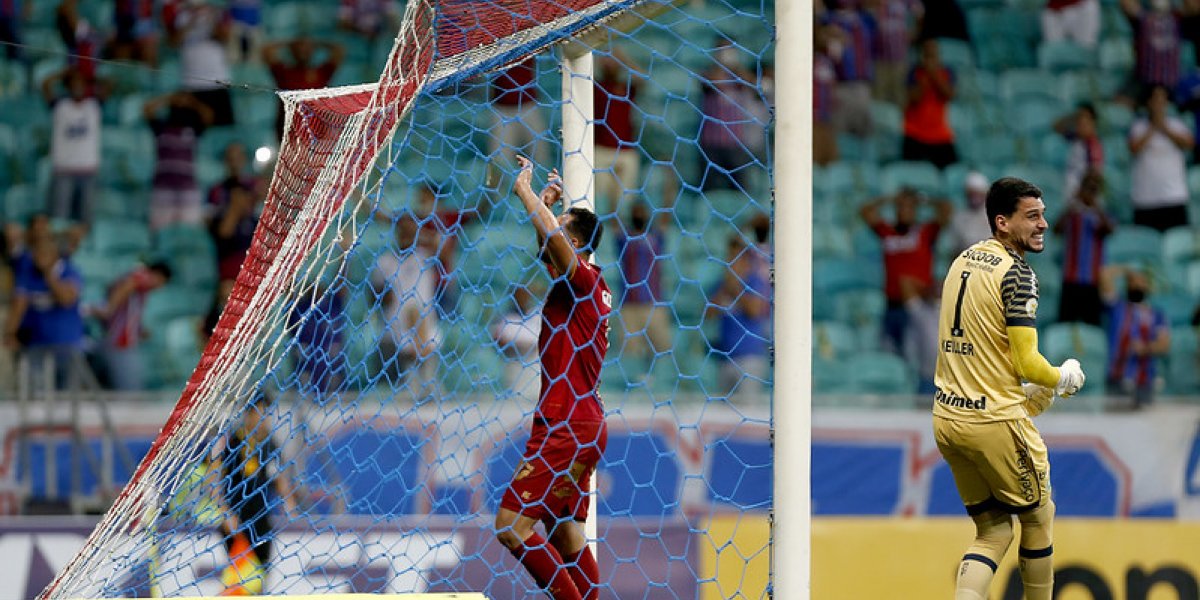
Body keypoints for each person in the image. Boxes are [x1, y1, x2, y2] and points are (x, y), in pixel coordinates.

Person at [933, 177, 1086, 600]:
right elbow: (1027, 362)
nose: (1043, 224)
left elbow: (977, 346)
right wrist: (1062, 377)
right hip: (994, 421)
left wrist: (1018, 389)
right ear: (1002, 222)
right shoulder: (1017, 274)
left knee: (993, 530)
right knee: (1038, 516)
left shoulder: (962, 260)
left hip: (947, 419)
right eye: (1032, 216)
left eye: (1043, 214)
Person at [495, 155, 610, 600]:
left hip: (566, 424)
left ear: (575, 242)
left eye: (559, 226)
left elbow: (556, 246)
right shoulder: (582, 286)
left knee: (511, 527)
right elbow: (548, 249)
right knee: (563, 534)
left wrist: (526, 193)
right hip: (584, 423)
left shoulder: (584, 281)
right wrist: (544, 207)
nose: (551, 231)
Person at [208, 392, 296, 595]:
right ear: (248, 414)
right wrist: (225, 513)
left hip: (261, 521)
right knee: (237, 579)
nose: (264, 419)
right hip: (235, 521)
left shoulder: (270, 445)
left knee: (261, 577)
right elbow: (215, 480)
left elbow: (279, 478)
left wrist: (290, 506)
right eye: (259, 414)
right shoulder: (232, 443)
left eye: (267, 414)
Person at [860, 187, 952, 359]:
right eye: (901, 207)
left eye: (909, 208)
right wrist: (891, 198)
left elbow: (947, 209)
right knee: (889, 357)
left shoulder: (925, 233)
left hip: (916, 306)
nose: (904, 211)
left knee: (912, 355)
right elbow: (865, 211)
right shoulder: (887, 233)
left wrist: (921, 200)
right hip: (892, 306)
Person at [4, 234, 88, 390]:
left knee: (68, 397)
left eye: (44, 252)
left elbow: (66, 299)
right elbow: (19, 304)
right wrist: (10, 334)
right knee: (36, 395)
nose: (38, 256)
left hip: (67, 347)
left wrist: (49, 275)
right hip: (36, 346)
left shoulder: (70, 271)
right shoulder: (28, 273)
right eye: (36, 251)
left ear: (56, 253)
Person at [371, 212, 440, 386]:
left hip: (425, 330)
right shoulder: (384, 262)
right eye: (403, 230)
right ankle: (414, 382)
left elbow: (442, 242)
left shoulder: (425, 257)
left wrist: (419, 232)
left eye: (411, 230)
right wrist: (384, 294)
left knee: (418, 317)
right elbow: (374, 299)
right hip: (394, 331)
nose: (406, 234)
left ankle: (424, 382)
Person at [42, 67, 102, 251]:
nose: (78, 86)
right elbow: (45, 85)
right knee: (59, 218)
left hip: (88, 171)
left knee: (86, 219)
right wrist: (64, 73)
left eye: (81, 83)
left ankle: (83, 253)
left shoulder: (93, 106)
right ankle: (58, 252)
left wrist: (88, 77)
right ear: (68, 85)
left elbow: (110, 85)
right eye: (74, 83)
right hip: (64, 170)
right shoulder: (60, 105)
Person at [708, 232, 772, 401]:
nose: (732, 262)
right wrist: (725, 287)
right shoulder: (722, 284)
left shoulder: (754, 281)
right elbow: (708, 314)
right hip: (725, 358)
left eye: (736, 258)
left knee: (747, 410)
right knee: (724, 412)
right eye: (730, 257)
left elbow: (755, 311)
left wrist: (735, 288)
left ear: (745, 260)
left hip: (749, 359)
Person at [1102, 266, 1170, 408]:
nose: (1136, 285)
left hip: (1145, 381)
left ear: (1148, 287)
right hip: (1118, 376)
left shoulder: (1157, 315)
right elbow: (1105, 275)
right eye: (1132, 282)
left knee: (1144, 419)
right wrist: (1127, 270)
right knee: (1114, 418)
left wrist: (1145, 348)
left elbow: (1164, 345)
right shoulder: (1118, 307)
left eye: (1141, 282)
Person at [97, 261, 172, 391]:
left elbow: (130, 312)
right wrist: (109, 308)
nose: (160, 287)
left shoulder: (142, 291)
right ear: (158, 275)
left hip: (122, 341)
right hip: (120, 342)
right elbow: (129, 283)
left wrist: (139, 330)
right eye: (162, 282)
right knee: (131, 390)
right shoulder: (142, 275)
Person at [145, 92, 213, 231]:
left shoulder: (192, 129)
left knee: (189, 233)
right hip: (163, 189)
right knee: (160, 232)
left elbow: (209, 116)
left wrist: (192, 102)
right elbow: (147, 109)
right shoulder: (161, 127)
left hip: (188, 190)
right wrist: (169, 98)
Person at [616, 201, 672, 369]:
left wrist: (669, 190)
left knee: (663, 354)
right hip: (629, 306)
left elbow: (666, 216)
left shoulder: (655, 238)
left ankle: (658, 381)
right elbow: (614, 221)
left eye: (642, 212)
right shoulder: (624, 239)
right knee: (630, 358)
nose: (639, 216)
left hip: (653, 305)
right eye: (636, 212)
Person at [1054, 170, 1114, 326]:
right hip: (1071, 277)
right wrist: (1072, 204)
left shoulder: (1101, 213)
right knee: (1066, 324)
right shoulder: (1073, 212)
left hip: (1093, 279)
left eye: (1094, 188)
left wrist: (1096, 206)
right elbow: (1056, 229)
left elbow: (1110, 230)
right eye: (1087, 187)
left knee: (1092, 325)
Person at [1128, 85, 1192, 231]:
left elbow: (1188, 143)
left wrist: (1164, 127)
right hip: (1145, 199)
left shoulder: (1177, 124)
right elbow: (1134, 148)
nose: (1158, 103)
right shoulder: (1138, 126)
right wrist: (1153, 127)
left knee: (1177, 240)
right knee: (1145, 241)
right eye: (1155, 99)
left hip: (1173, 196)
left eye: (1162, 99)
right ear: (1148, 102)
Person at [165, 0, 234, 126]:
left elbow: (224, 38)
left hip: (218, 82)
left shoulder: (218, 12)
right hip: (191, 83)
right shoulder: (179, 13)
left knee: (222, 129)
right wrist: (192, 20)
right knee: (191, 130)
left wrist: (211, 18)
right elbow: (173, 43)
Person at [263, 36, 344, 138]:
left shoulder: (321, 73)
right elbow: (267, 50)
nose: (303, 51)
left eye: (307, 48)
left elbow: (339, 51)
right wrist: (291, 42)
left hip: (316, 129)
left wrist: (316, 43)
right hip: (289, 129)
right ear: (292, 51)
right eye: (299, 48)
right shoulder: (284, 73)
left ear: (312, 51)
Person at [593, 51, 642, 213]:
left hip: (626, 151)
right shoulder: (596, 87)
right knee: (601, 199)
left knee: (624, 202)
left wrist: (623, 58)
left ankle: (620, 226)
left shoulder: (627, 88)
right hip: (600, 150)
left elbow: (643, 79)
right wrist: (598, 59)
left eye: (614, 62)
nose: (610, 64)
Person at [206, 141, 262, 284]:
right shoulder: (217, 191)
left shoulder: (258, 187)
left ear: (245, 160)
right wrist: (236, 208)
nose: (235, 163)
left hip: (256, 260)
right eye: (231, 159)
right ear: (225, 162)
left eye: (239, 157)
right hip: (229, 260)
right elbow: (222, 233)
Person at [902, 38, 957, 169]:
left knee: (953, 170)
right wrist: (926, 77)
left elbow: (949, 95)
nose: (930, 59)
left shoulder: (947, 72)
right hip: (915, 134)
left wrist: (935, 75)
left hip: (940, 134)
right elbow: (914, 98)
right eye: (927, 55)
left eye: (933, 55)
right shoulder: (914, 72)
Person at [867, 0, 922, 107]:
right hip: (879, 58)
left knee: (899, 96)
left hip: (900, 58)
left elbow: (919, 13)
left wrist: (915, 33)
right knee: (878, 96)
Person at [491, 284, 542, 393]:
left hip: (536, 376)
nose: (524, 298)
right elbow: (501, 343)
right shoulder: (506, 321)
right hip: (516, 374)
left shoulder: (536, 316)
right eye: (520, 295)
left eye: (526, 294)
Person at [1053, 102, 1104, 202]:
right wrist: (1072, 117)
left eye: (1085, 123)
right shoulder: (1075, 138)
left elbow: (1094, 173)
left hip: (1083, 196)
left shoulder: (1093, 145)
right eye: (1079, 122)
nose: (1081, 126)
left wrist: (1082, 194)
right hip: (1071, 189)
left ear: (1093, 124)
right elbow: (1056, 126)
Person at [948, 170, 992, 253]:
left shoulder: (994, 216)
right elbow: (954, 247)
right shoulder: (958, 217)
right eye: (971, 194)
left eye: (977, 193)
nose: (974, 197)